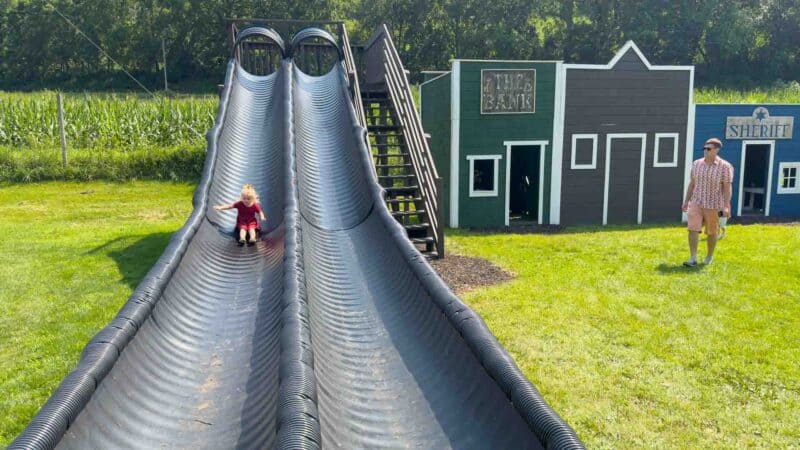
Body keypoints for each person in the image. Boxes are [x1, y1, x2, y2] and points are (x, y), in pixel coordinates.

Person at [681, 138, 733, 266]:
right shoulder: (696, 163)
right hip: (696, 202)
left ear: (716, 150)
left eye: (708, 148)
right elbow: (692, 184)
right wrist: (686, 201)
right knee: (692, 229)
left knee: (712, 232)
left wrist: (726, 206)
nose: (705, 150)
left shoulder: (725, 166)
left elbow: (727, 188)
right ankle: (693, 258)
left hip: (714, 204)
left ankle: (709, 257)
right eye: (704, 148)